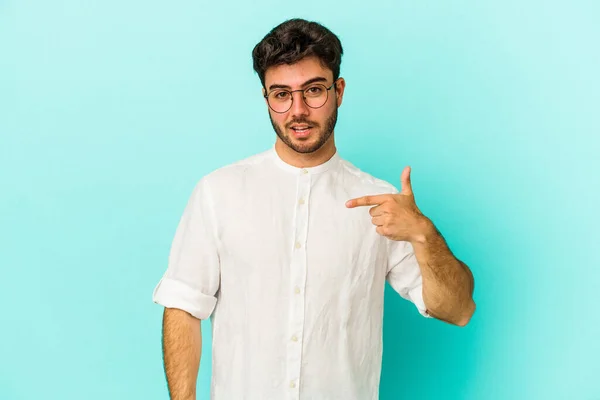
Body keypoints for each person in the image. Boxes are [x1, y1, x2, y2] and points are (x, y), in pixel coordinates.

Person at [152, 18, 476, 400]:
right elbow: (184, 306)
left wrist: (423, 233)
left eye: (314, 90)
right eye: (281, 94)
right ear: (267, 99)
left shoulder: (380, 201)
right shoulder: (217, 192)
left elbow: (457, 310)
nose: (298, 110)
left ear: (338, 90)